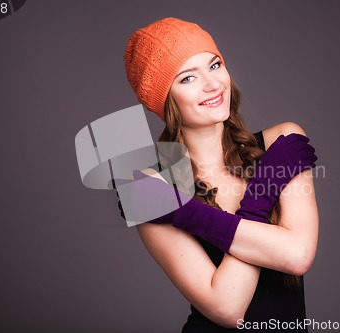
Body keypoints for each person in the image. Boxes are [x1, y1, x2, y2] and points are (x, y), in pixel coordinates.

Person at [119, 17, 319, 332]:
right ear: (165, 99)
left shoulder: (281, 142)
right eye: (188, 78)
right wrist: (262, 194)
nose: (213, 84)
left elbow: (297, 255)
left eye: (214, 66)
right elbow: (228, 307)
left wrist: (181, 211)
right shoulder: (152, 187)